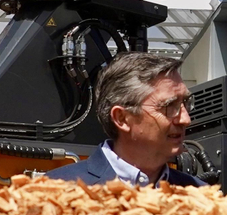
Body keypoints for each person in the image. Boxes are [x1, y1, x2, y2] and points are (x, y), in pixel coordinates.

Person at [48, 53, 206, 188]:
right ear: (122, 118)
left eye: (185, 103)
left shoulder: (200, 197)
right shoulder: (58, 191)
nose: (186, 119)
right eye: (169, 106)